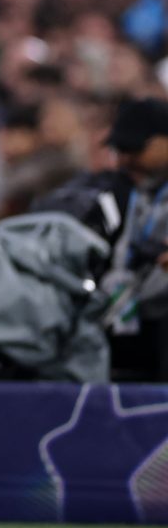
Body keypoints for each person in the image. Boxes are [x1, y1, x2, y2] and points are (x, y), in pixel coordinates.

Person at [101, 97, 168, 381]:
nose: (124, 159)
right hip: (144, 324)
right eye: (120, 150)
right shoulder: (141, 190)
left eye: (134, 148)